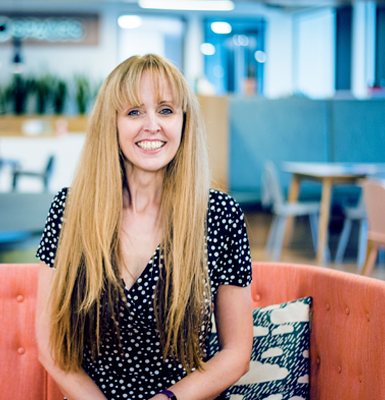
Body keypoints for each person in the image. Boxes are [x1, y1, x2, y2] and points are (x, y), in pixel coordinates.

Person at [35, 54, 253, 400]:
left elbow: (237, 354)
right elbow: (51, 346)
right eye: (134, 112)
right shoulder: (70, 210)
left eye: (166, 110)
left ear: (184, 122)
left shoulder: (220, 214)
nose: (152, 125)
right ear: (113, 123)